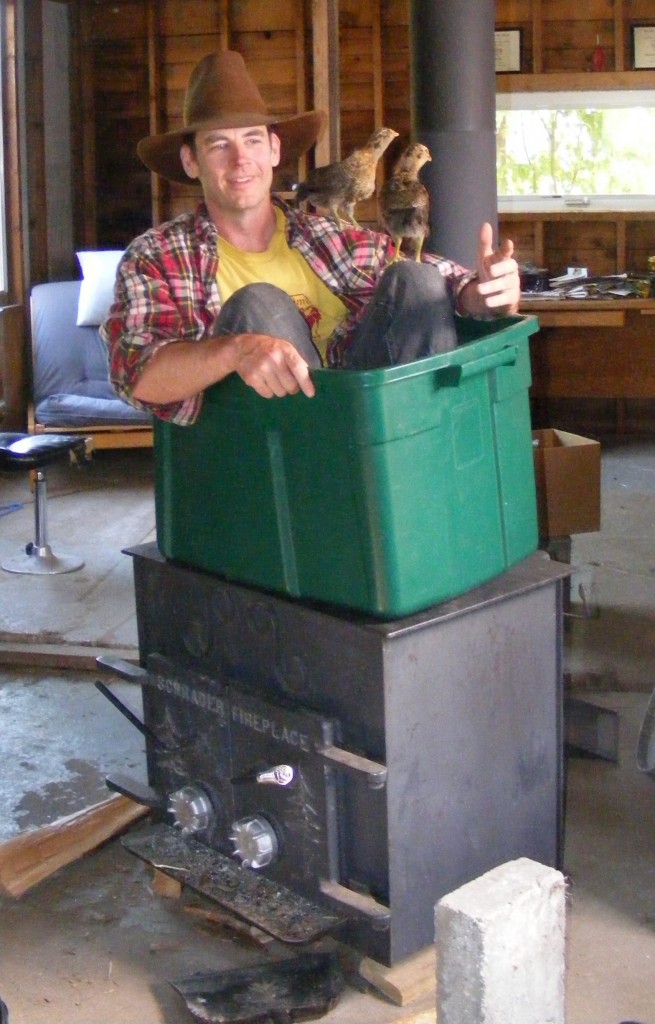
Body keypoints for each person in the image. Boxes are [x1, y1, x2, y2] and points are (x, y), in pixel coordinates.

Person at [101, 51, 521, 427]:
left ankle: (415, 462)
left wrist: (482, 292)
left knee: (418, 280)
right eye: (218, 145)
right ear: (191, 161)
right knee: (257, 302)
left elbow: (449, 283)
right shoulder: (155, 256)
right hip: (273, 461)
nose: (241, 159)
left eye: (252, 140)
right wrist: (236, 350)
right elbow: (136, 372)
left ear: (274, 150)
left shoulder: (330, 236)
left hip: (380, 434)